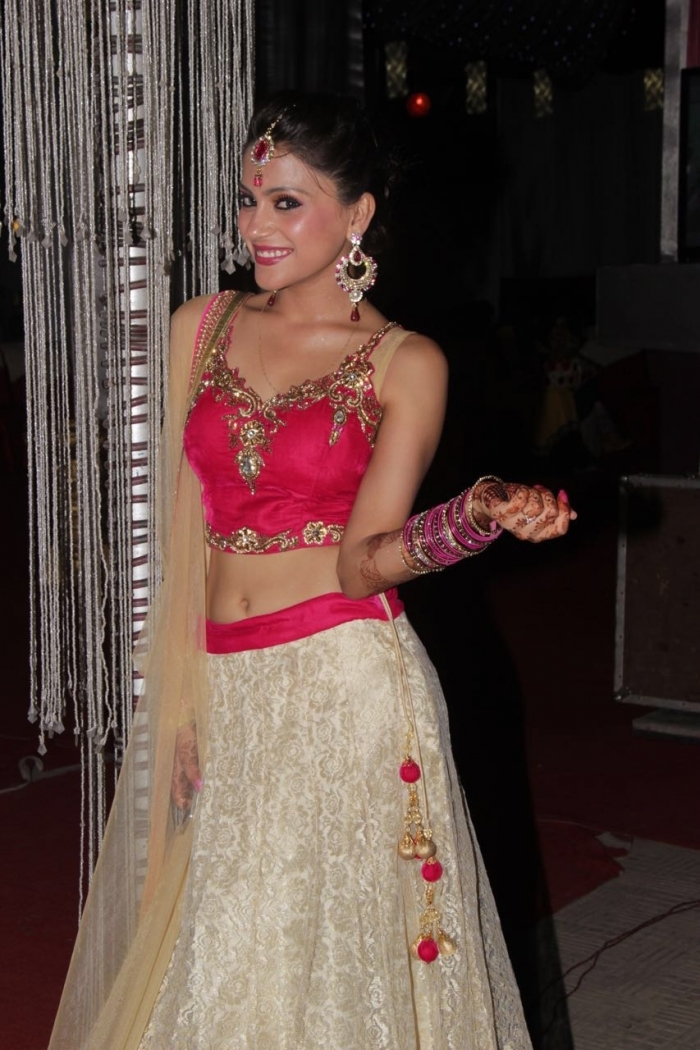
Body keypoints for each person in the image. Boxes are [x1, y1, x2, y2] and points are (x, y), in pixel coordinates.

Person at [48, 92, 575, 1050]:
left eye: (288, 203)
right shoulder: (200, 327)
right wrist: (176, 697)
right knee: (224, 959)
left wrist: (474, 514)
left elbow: (365, 565)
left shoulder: (403, 361)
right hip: (227, 682)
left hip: (345, 686)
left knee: (327, 975)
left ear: (358, 213)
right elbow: (179, 531)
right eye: (250, 200)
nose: (257, 225)